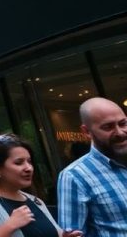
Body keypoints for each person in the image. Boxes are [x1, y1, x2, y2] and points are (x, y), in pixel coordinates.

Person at [0, 134, 75, 237]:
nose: (28, 168)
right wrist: (9, 226)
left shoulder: (35, 201)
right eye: (19, 162)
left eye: (29, 162)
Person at [57, 97, 127, 237]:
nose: (120, 132)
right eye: (108, 127)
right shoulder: (75, 176)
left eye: (123, 123)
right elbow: (72, 233)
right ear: (87, 131)